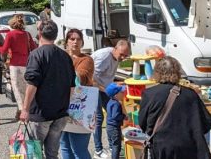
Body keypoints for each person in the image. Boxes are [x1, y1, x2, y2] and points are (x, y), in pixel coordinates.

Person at [20, 20, 76, 159]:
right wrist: (67, 107)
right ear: (56, 36)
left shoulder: (36, 54)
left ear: (39, 33)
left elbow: (32, 84)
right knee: (52, 153)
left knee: (35, 153)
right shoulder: (65, 56)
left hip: (41, 113)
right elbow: (72, 86)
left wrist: (25, 109)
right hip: (60, 113)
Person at [139, 57, 211, 159]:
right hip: (189, 148)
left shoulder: (149, 94)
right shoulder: (191, 94)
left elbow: (143, 124)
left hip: (162, 148)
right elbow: (207, 122)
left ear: (157, 73)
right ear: (177, 72)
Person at [0, 14, 37, 120]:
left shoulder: (10, 35)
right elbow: (34, 48)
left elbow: (3, 50)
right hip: (26, 64)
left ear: (12, 24)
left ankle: (21, 111)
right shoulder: (27, 34)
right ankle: (26, 109)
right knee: (26, 88)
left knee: (16, 89)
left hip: (14, 64)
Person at [91, 40, 130, 159]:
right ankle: (98, 150)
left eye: (125, 55)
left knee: (112, 114)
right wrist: (107, 90)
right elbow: (92, 79)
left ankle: (113, 145)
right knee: (98, 118)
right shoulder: (103, 57)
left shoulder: (116, 57)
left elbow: (108, 76)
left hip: (105, 87)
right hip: (94, 86)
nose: (123, 57)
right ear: (115, 48)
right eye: (121, 54)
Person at [59, 28, 95, 159]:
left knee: (79, 149)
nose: (75, 42)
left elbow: (82, 75)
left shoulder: (86, 59)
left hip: (81, 107)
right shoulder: (60, 56)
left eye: (78, 39)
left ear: (82, 42)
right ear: (66, 41)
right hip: (62, 105)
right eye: (72, 39)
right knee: (65, 146)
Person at [105, 83, 126, 159]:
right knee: (116, 146)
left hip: (109, 127)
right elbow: (115, 116)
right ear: (116, 95)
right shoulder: (116, 104)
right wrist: (124, 116)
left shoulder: (110, 102)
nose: (123, 93)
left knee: (114, 145)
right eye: (121, 92)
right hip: (114, 128)